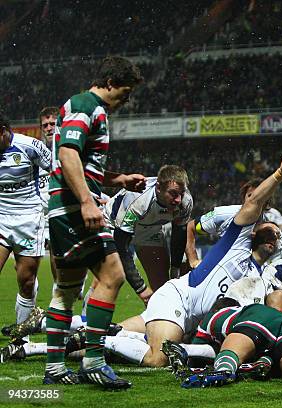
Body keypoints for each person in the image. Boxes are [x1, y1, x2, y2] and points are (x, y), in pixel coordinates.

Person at [102, 145, 282, 368]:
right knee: (160, 358)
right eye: (269, 230)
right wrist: (280, 174)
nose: (273, 235)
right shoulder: (237, 239)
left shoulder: (260, 278)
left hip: (191, 322)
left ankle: (90, 338)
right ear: (255, 230)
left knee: (115, 335)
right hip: (177, 300)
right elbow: (252, 203)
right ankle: (101, 341)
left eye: (276, 235)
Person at [44, 56, 145, 388]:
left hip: (65, 208)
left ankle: (55, 368)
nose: (125, 101)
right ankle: (94, 361)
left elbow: (82, 163)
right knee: (113, 275)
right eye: (125, 93)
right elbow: (68, 154)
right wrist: (88, 201)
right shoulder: (86, 105)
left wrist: (118, 180)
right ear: (111, 83)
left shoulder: (86, 108)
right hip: (75, 209)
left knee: (67, 290)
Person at [170, 300, 282, 389]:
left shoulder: (211, 318)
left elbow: (199, 352)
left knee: (229, 354)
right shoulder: (239, 311)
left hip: (256, 318)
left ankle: (224, 371)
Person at [103, 165, 192, 305]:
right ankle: (88, 322)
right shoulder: (138, 200)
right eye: (173, 193)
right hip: (113, 224)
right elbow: (121, 247)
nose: (178, 200)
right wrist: (141, 288)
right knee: (112, 277)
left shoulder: (186, 201)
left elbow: (179, 234)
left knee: (162, 289)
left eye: (182, 193)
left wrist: (175, 268)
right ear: (158, 188)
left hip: (149, 228)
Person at [0, 111, 52, 348]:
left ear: (3, 131)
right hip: (1, 219)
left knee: (27, 282)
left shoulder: (30, 146)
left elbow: (57, 170)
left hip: (29, 220)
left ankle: (21, 339)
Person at [185, 177, 282, 269]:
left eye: (260, 196)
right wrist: (193, 260)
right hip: (221, 272)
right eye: (250, 196)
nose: (255, 199)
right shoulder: (224, 214)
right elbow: (191, 227)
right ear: (243, 198)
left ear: (267, 201)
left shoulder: (269, 228)